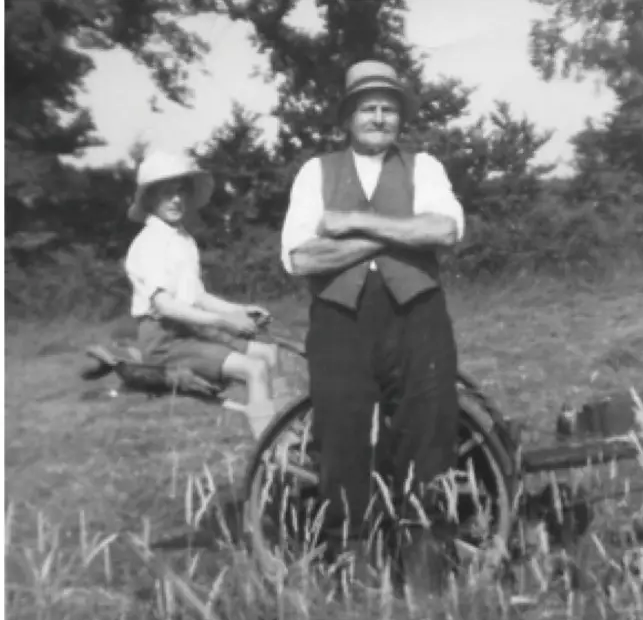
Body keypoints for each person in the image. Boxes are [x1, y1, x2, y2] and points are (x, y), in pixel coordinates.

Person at [279, 60, 465, 561]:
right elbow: (301, 258)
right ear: (348, 118)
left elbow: (445, 231)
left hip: (417, 314)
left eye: (389, 109)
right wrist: (398, 233)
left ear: (400, 118)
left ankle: (425, 556)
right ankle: (349, 559)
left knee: (427, 429)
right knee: (342, 434)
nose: (380, 118)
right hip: (341, 319)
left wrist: (354, 225)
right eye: (369, 109)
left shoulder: (424, 167)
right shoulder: (316, 172)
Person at [124, 150, 280, 439]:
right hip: (164, 339)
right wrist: (223, 323)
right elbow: (165, 306)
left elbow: (197, 296)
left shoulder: (182, 239)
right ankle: (270, 448)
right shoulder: (150, 243)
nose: (176, 200)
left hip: (188, 329)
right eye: (166, 193)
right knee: (254, 367)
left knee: (267, 352)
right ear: (149, 199)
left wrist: (238, 310)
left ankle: (271, 421)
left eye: (181, 192)